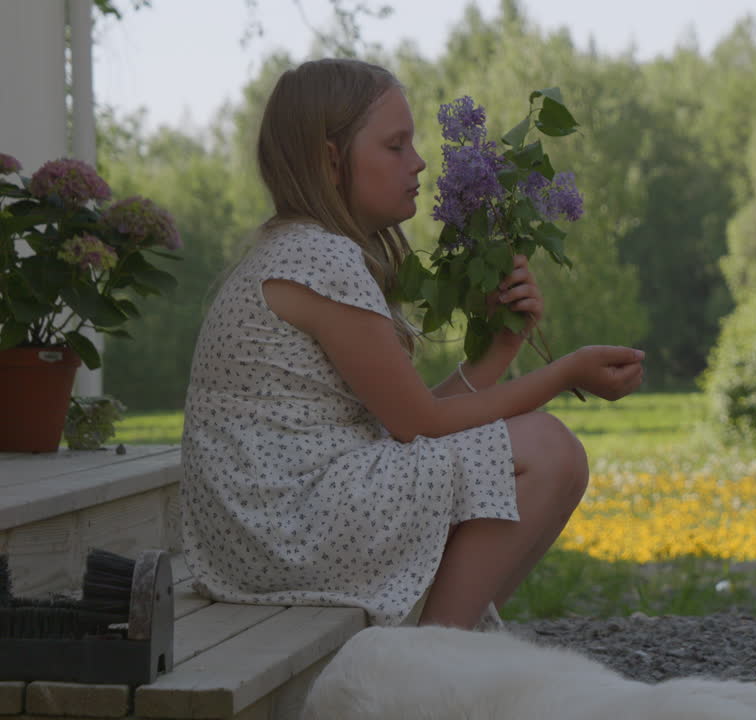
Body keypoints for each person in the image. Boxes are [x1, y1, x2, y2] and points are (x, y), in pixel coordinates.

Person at [180, 57, 645, 630]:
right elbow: (419, 424)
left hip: (268, 526)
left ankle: (448, 644)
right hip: (284, 528)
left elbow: (407, 420)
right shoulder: (319, 258)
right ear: (331, 160)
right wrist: (564, 373)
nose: (420, 163)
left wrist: (498, 350)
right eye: (396, 146)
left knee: (530, 456)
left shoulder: (298, 250)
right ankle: (429, 662)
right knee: (549, 452)